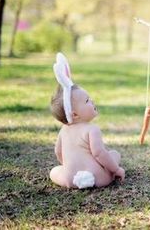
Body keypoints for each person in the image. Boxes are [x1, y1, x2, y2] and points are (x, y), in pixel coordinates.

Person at [49, 53, 125, 189]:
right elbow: (99, 153)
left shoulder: (63, 130)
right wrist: (116, 170)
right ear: (75, 114)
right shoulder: (92, 129)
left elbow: (58, 152)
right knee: (114, 154)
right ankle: (110, 172)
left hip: (71, 179)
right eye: (87, 101)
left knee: (54, 171)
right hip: (98, 178)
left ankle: (69, 178)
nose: (92, 101)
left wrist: (68, 166)